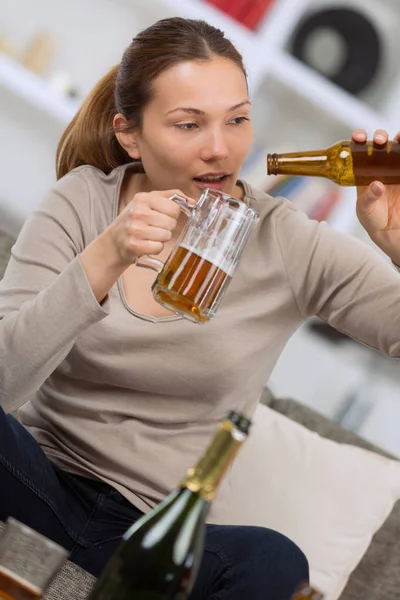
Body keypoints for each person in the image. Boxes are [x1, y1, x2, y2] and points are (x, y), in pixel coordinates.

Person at [0, 16, 399, 600]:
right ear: (130, 135)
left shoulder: (288, 241)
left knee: (273, 557)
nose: (220, 147)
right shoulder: (83, 200)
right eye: (189, 124)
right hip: (33, 476)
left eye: (237, 119)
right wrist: (105, 257)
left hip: (151, 531)